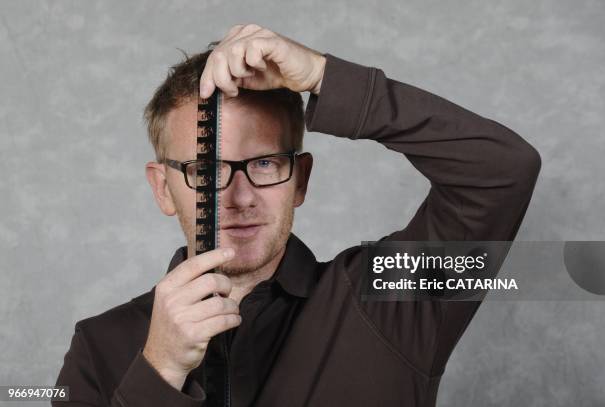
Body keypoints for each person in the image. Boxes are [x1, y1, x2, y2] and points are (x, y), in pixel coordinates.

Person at [54, 24, 541, 407]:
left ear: (300, 179)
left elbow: (502, 170)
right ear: (164, 189)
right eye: (206, 170)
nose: (239, 196)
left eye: (265, 163)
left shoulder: (391, 299)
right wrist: (157, 374)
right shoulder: (99, 345)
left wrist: (325, 76)